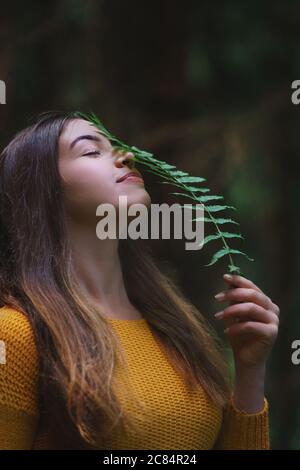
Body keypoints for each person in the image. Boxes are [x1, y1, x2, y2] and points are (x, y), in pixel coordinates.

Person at [0, 111, 280, 450]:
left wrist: (250, 369)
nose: (127, 156)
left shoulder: (174, 327)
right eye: (91, 151)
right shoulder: (16, 335)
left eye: (116, 147)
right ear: (45, 190)